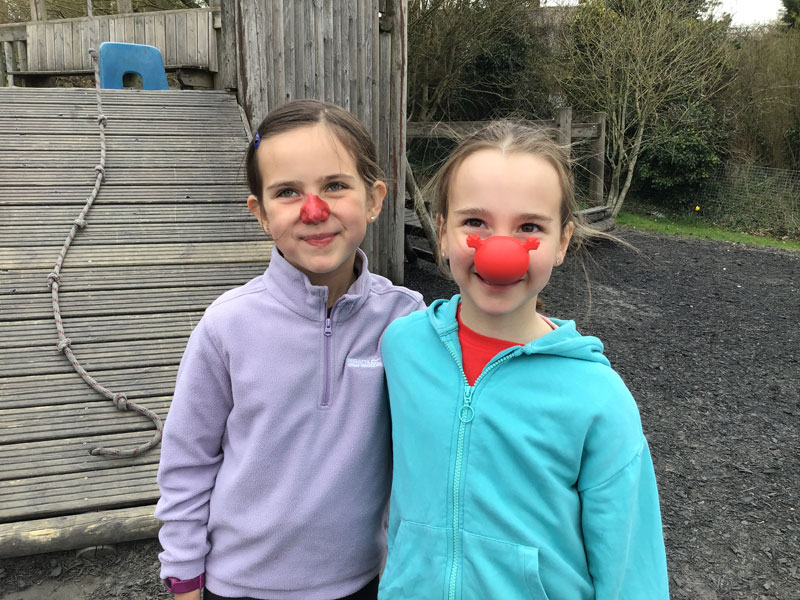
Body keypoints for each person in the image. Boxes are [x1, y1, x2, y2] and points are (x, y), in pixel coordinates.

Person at [378, 121, 669, 599]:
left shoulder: (598, 398)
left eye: (529, 227)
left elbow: (632, 573)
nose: (501, 251)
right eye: (475, 223)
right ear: (443, 231)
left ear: (562, 242)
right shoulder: (402, 348)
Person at [155, 99, 424, 600]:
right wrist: (184, 572)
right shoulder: (226, 325)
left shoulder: (406, 321)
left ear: (374, 199)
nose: (313, 210)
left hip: (362, 582)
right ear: (260, 213)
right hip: (238, 584)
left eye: (335, 185)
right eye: (287, 192)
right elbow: (187, 458)